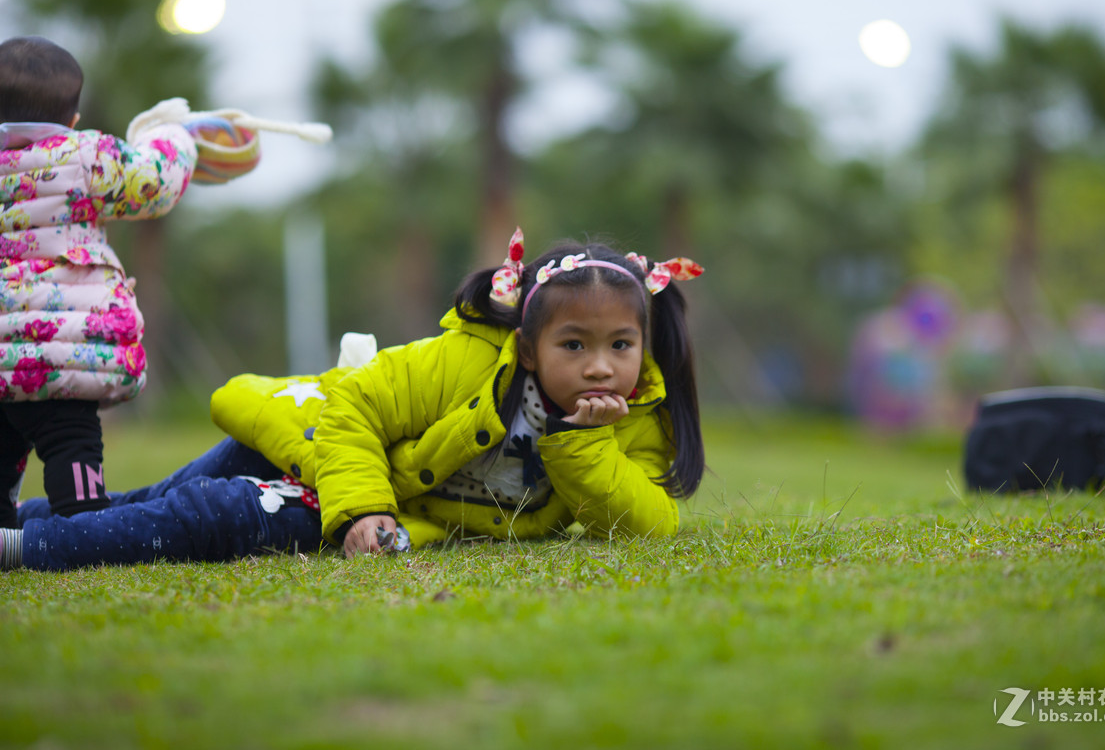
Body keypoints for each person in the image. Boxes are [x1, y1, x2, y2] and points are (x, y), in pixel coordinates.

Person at [0, 229, 705, 571]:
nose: (600, 368)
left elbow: (646, 524)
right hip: (317, 443)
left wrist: (581, 440)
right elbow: (358, 408)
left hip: (346, 491)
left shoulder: (638, 415)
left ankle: (22, 533)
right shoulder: (464, 359)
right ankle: (27, 537)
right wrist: (363, 510)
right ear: (526, 347)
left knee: (209, 515)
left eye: (620, 346)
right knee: (175, 501)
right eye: (574, 346)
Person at [0, 36, 197, 527]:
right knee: (72, 445)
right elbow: (157, 181)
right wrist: (173, 136)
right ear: (72, 120)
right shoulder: (87, 157)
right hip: (67, 355)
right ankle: (84, 527)